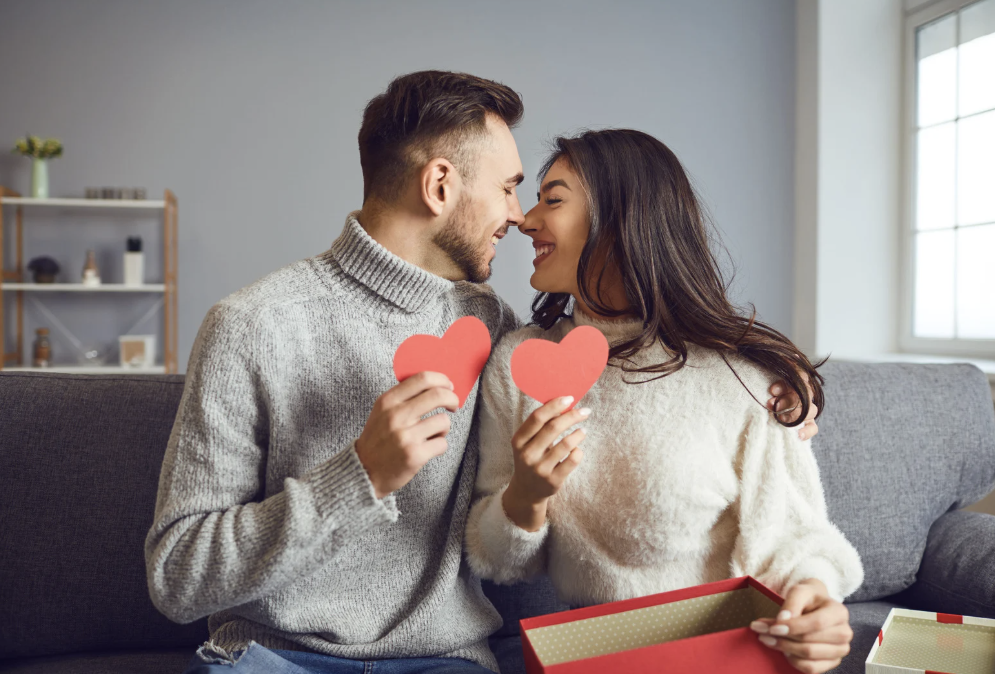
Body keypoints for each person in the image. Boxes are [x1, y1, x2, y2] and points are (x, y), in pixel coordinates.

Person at [145, 71, 817, 674]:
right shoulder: (252, 326)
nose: (520, 217)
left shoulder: (495, 330)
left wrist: (784, 380)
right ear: (440, 185)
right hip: (275, 659)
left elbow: (629, 338)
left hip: (443, 661)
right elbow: (176, 578)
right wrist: (357, 478)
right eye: (508, 189)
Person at [465, 129, 861, 674]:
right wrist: (526, 497)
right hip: (597, 658)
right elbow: (497, 560)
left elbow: (795, 538)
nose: (527, 220)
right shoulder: (520, 362)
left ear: (624, 218)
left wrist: (816, 600)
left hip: (730, 654)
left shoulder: (745, 377)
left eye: (552, 199)